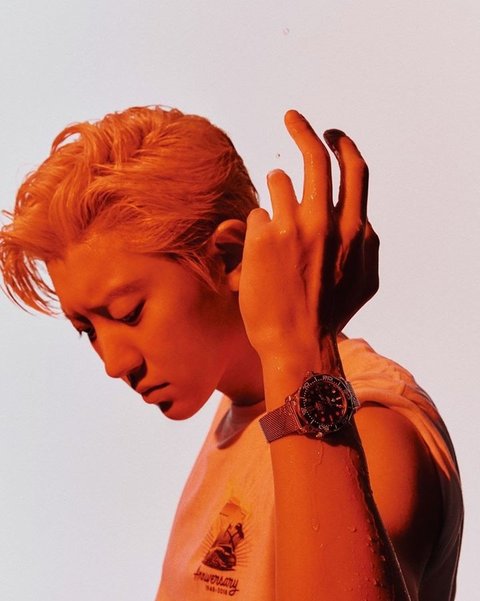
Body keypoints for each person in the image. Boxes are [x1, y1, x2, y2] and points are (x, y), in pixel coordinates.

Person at [0, 106, 463, 601]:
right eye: (87, 330)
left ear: (230, 257)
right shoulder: (239, 413)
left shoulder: (372, 429)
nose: (115, 364)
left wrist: (302, 348)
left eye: (129, 313)